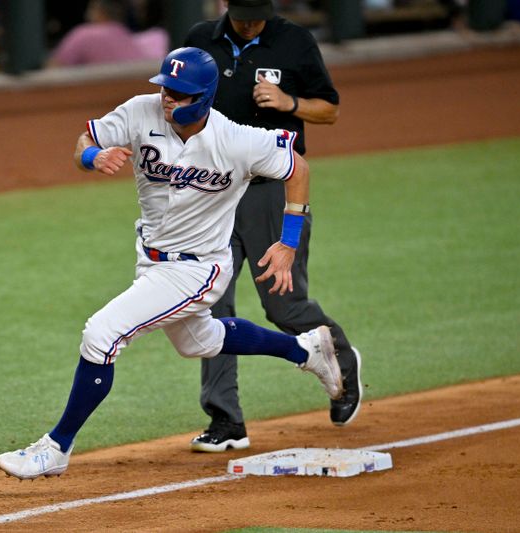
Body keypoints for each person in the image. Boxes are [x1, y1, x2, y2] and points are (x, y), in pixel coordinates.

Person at [0, 46, 344, 480]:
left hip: (200, 269)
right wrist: (92, 157)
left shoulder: (237, 140)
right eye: (165, 89)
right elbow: (85, 142)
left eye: (178, 94)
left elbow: (298, 169)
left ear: (203, 97)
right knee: (198, 341)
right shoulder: (140, 112)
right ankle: (306, 349)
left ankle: (55, 448)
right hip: (151, 260)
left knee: (101, 334)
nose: (166, 99)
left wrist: (288, 242)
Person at [183, 0, 362, 453]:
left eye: (258, 13)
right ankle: (225, 419)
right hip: (212, 195)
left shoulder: (294, 41)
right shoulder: (201, 41)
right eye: (242, 12)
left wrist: (290, 103)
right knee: (210, 303)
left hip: (271, 193)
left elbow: (330, 110)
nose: (249, 22)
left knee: (283, 307)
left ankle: (340, 358)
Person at [45, 0, 146, 67]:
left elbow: (53, 69)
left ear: (101, 12)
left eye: (91, 9)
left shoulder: (83, 34)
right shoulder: (127, 35)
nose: (87, 15)